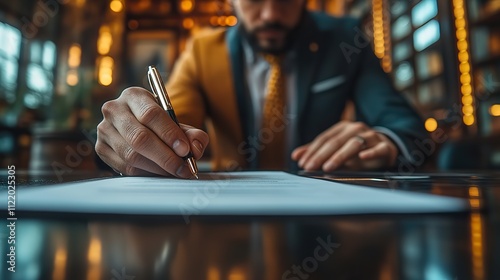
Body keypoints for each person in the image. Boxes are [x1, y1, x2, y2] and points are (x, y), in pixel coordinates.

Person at [95, 0, 427, 178]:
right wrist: (144, 133)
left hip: (325, 217)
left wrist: (386, 143)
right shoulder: (202, 52)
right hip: (226, 226)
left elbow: (409, 130)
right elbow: (178, 120)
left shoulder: (345, 39)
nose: (270, 14)